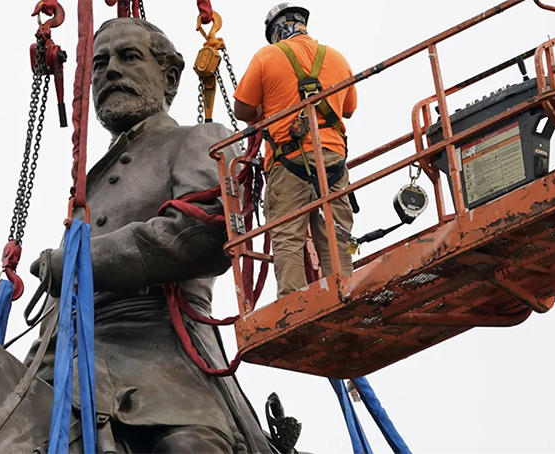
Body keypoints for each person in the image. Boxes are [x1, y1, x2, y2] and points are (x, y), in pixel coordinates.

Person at [27, 17, 283, 454]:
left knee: (188, 447)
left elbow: (204, 229)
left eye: (129, 57)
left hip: (164, 354)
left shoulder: (199, 139)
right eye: (100, 63)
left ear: (170, 77)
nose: (110, 71)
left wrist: (81, 260)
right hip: (70, 361)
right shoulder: (89, 181)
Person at [233, 2, 358, 299]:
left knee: (288, 236)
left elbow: (242, 109)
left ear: (276, 31)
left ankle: (294, 302)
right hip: (333, 162)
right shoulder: (337, 59)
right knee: (335, 235)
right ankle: (344, 293)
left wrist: (269, 106)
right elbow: (349, 109)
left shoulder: (267, 56)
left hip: (288, 163)